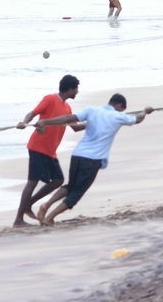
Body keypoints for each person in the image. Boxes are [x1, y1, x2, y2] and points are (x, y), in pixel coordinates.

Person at [31, 92, 153, 225]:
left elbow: (68, 118)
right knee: (77, 193)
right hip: (92, 159)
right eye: (122, 109)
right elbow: (138, 119)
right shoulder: (119, 116)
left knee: (71, 186)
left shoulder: (91, 110)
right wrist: (145, 111)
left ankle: (46, 205)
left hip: (77, 154)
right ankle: (50, 218)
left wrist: (45, 122)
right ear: (119, 105)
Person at [12, 73, 80, 228]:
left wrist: (99, 121)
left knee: (58, 180)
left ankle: (29, 203)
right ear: (69, 89)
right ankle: (18, 220)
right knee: (32, 182)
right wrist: (24, 122)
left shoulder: (67, 107)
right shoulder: (50, 99)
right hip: (37, 147)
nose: (77, 92)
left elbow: (76, 127)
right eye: (76, 89)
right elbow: (33, 113)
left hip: (50, 151)